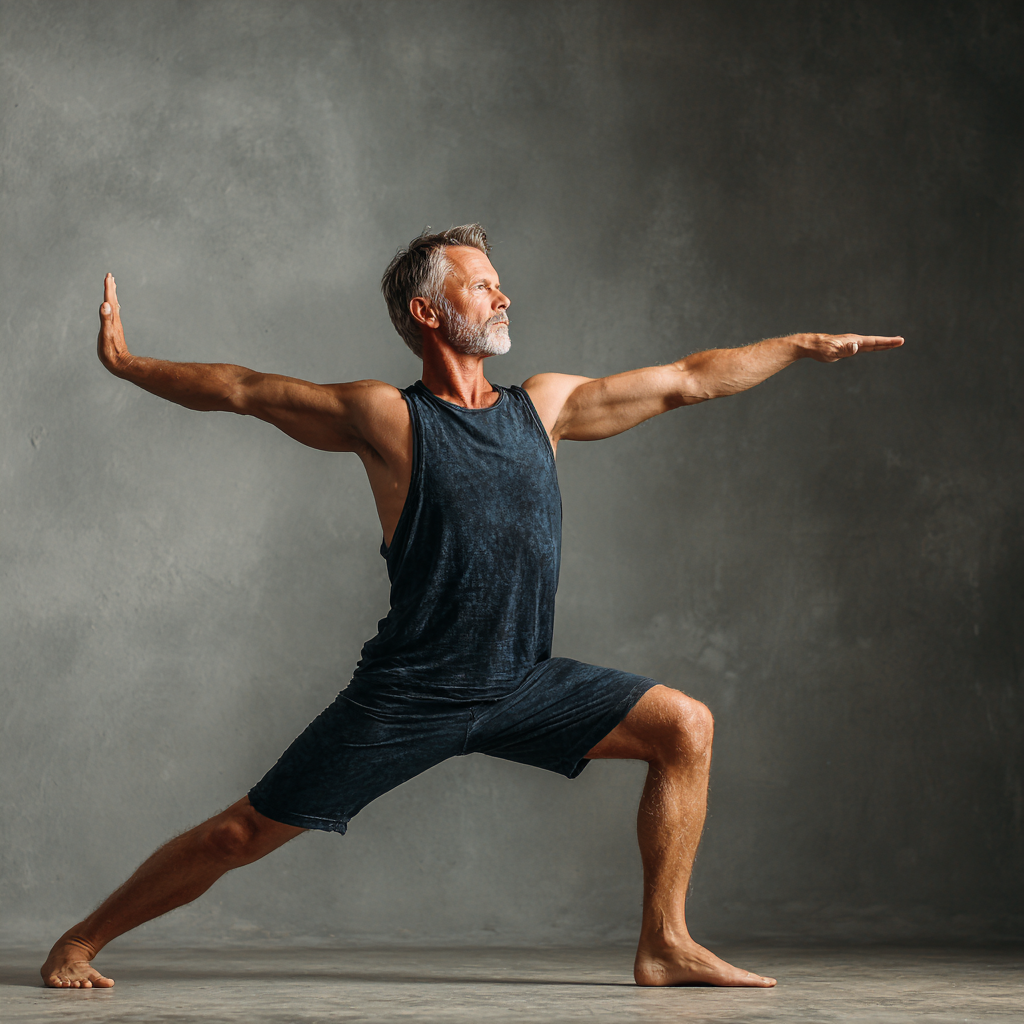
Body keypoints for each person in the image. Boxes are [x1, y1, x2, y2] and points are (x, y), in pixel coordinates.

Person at [41, 224, 902, 990]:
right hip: (411, 692)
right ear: (427, 310)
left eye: (498, 280)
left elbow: (685, 380)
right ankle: (80, 941)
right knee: (239, 835)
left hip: (523, 682)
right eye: (481, 281)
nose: (503, 293)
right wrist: (127, 362)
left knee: (685, 727)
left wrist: (796, 344)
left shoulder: (548, 407)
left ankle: (666, 943)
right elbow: (244, 387)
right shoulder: (388, 419)